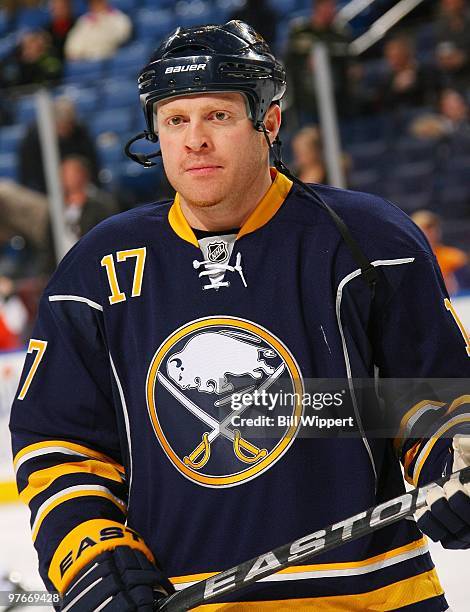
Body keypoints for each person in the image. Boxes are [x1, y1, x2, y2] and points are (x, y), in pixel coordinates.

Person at [9, 21, 470, 611]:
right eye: (176, 120)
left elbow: (431, 392)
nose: (194, 139)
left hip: (371, 597)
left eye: (218, 116)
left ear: (269, 122)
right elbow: (59, 440)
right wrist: (88, 553)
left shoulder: (367, 240)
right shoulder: (96, 271)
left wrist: (451, 455)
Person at [284, 0, 351, 123]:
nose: (332, 11)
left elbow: (348, 59)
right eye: (328, 7)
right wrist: (305, 64)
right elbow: (288, 60)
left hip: (336, 98)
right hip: (305, 100)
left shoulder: (339, 33)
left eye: (333, 7)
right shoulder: (299, 31)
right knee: (309, 136)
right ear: (317, 9)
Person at [18, 96, 99, 194]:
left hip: (78, 189)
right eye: (61, 125)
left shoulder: (81, 132)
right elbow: (28, 174)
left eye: (69, 125)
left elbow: (93, 164)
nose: (65, 130)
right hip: (44, 189)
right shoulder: (33, 137)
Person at [60, 155, 118, 252]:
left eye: (68, 173)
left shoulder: (101, 204)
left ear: (82, 174)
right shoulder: (56, 206)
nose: (63, 177)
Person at [411, 209, 468, 295]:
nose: (431, 233)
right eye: (425, 228)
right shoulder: (409, 260)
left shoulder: (455, 257)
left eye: (433, 228)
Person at [64, 0, 132, 61]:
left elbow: (122, 36)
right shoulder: (83, 22)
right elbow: (72, 49)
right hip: (89, 63)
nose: (96, 4)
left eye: (98, 1)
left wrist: (103, 22)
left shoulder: (118, 17)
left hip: (112, 59)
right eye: (93, 2)